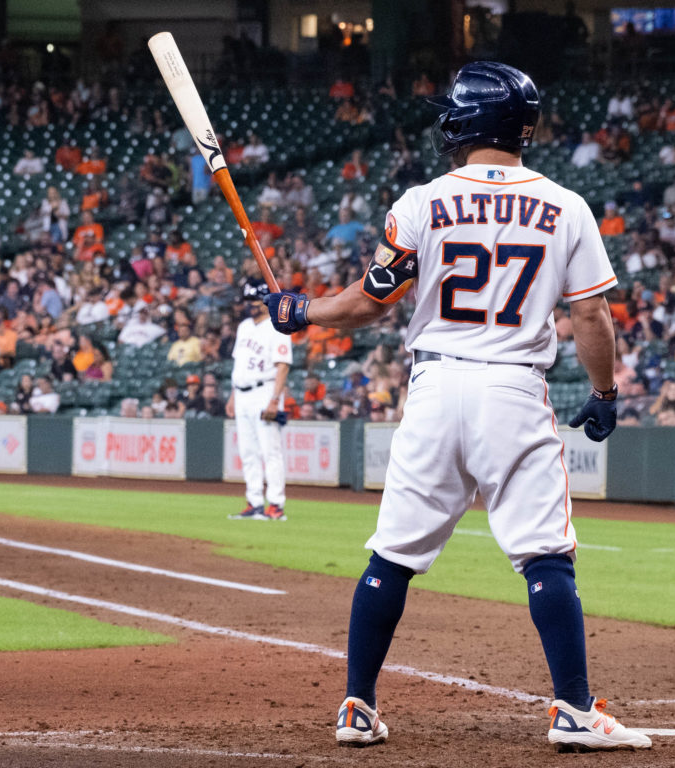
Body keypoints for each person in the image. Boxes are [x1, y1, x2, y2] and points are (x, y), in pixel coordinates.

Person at [263, 61, 650, 751]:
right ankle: (574, 708)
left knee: (392, 555)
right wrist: (604, 392)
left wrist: (301, 311)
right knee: (545, 554)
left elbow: (367, 303)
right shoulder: (566, 205)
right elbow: (590, 315)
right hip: (513, 389)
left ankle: (357, 705)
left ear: (463, 123)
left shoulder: (422, 201)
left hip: (435, 387)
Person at [225, 280, 292, 522]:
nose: (250, 305)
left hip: (265, 392)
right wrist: (233, 396)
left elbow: (282, 366)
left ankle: (275, 505)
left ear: (265, 302)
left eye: (254, 300)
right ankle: (254, 503)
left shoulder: (277, 326)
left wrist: (275, 400)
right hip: (242, 393)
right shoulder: (244, 326)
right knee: (248, 452)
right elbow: (239, 365)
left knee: (270, 451)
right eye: (248, 301)